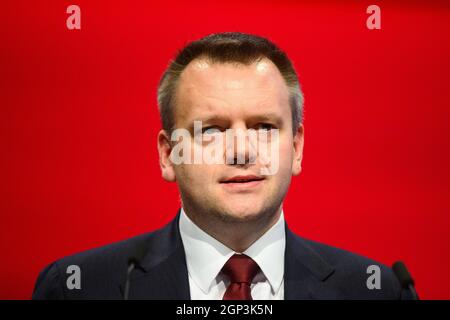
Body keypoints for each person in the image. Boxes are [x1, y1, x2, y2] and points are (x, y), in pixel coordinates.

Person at [32, 32, 411, 300]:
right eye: (211, 130)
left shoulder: (372, 290)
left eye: (264, 126)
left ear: (296, 148)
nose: (241, 151)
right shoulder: (79, 288)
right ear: (169, 155)